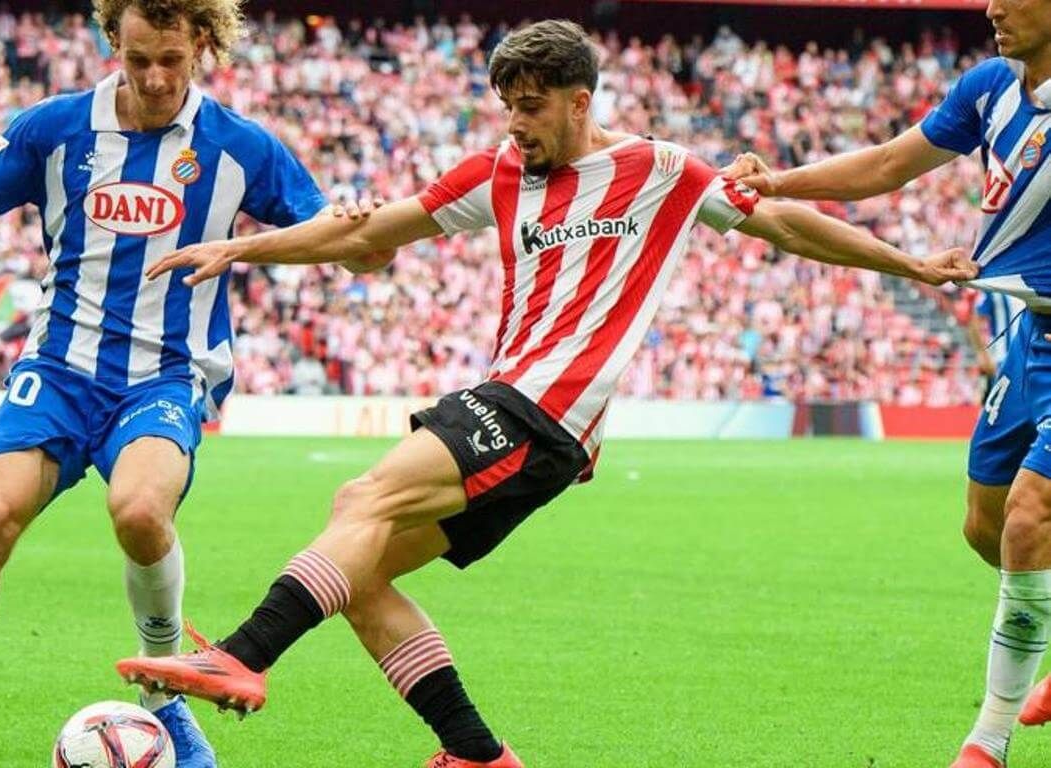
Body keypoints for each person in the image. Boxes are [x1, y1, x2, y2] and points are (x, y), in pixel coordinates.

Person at [115, 20, 977, 768]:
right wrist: (241, 251)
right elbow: (375, 229)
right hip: (520, 410)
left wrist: (906, 263)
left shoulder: (657, 169)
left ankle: (242, 654)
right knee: (362, 560)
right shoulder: (495, 173)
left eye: (532, 106)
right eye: (507, 106)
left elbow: (786, 223)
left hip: (545, 408)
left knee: (369, 496)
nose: (516, 124)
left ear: (580, 99)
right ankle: (478, 752)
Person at [0, 0, 388, 765]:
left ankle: (163, 696)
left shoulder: (241, 147)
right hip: (61, 366)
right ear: (112, 45)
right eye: (138, 61)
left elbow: (350, 246)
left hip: (166, 370)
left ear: (201, 43)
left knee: (138, 509)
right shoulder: (55, 128)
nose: (156, 79)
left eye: (172, 60)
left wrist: (359, 230)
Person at [723, 1, 1051, 764]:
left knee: (1032, 518)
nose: (992, 7)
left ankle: (986, 743)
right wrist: (777, 182)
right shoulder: (989, 88)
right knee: (987, 526)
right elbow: (884, 166)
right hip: (1032, 338)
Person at [967, 290, 1025, 402]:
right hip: (1002, 361)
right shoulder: (995, 286)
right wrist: (983, 354)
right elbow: (974, 322)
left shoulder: (1035, 280)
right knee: (1001, 410)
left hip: (1032, 361)